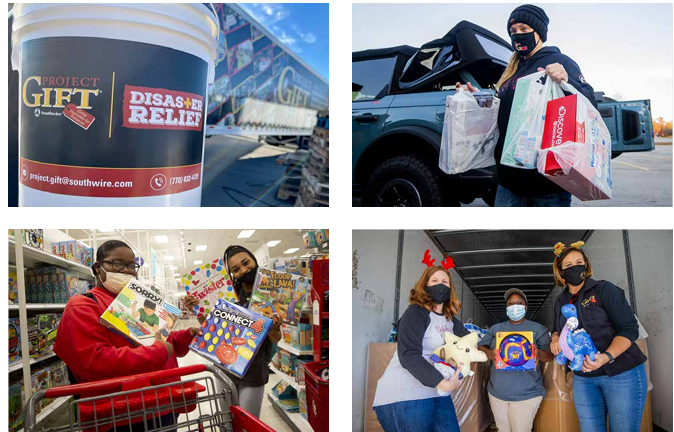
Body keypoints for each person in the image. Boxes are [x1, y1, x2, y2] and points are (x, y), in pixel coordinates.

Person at [457, 4, 597, 207]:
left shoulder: (560, 61)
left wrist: (567, 80)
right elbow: (503, 112)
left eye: (524, 29)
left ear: (539, 32)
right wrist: (477, 98)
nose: (518, 35)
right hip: (509, 180)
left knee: (547, 239)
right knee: (504, 238)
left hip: (547, 181)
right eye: (513, 31)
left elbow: (589, 101)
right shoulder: (511, 70)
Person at [54, 240, 203, 431]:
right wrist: (157, 352)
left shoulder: (137, 300)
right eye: (117, 264)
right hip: (122, 415)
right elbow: (94, 361)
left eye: (132, 266)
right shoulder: (83, 305)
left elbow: (159, 338)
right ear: (97, 267)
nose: (126, 271)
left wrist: (185, 336)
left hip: (163, 403)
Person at [549, 241, 647, 432]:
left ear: (586, 264)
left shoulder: (604, 290)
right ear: (561, 272)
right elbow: (556, 330)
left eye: (579, 261)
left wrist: (606, 356)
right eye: (568, 265)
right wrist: (554, 339)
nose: (575, 267)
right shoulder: (560, 301)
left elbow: (629, 329)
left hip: (620, 372)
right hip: (583, 378)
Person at [184, 244, 282, 418]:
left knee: (247, 421)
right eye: (236, 269)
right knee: (225, 419)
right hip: (224, 366)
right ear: (231, 274)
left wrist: (274, 328)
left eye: (246, 263)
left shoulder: (269, 294)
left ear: (255, 260)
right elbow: (211, 327)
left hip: (253, 369)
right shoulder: (227, 295)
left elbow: (274, 338)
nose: (243, 270)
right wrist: (197, 309)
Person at [372, 265, 470, 432]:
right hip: (405, 395)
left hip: (436, 392)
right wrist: (443, 383)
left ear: (450, 288)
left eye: (445, 281)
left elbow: (470, 340)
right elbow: (409, 355)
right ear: (425, 286)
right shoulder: (416, 313)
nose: (440, 285)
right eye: (435, 280)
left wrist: (491, 351)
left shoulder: (449, 320)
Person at [478, 288, 554, 432]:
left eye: (519, 303)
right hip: (497, 393)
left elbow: (550, 355)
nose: (515, 306)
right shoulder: (496, 328)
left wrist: (537, 355)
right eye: (510, 304)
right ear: (506, 308)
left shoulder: (538, 329)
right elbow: (480, 346)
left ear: (525, 307)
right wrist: (489, 353)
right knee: (502, 429)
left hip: (527, 394)